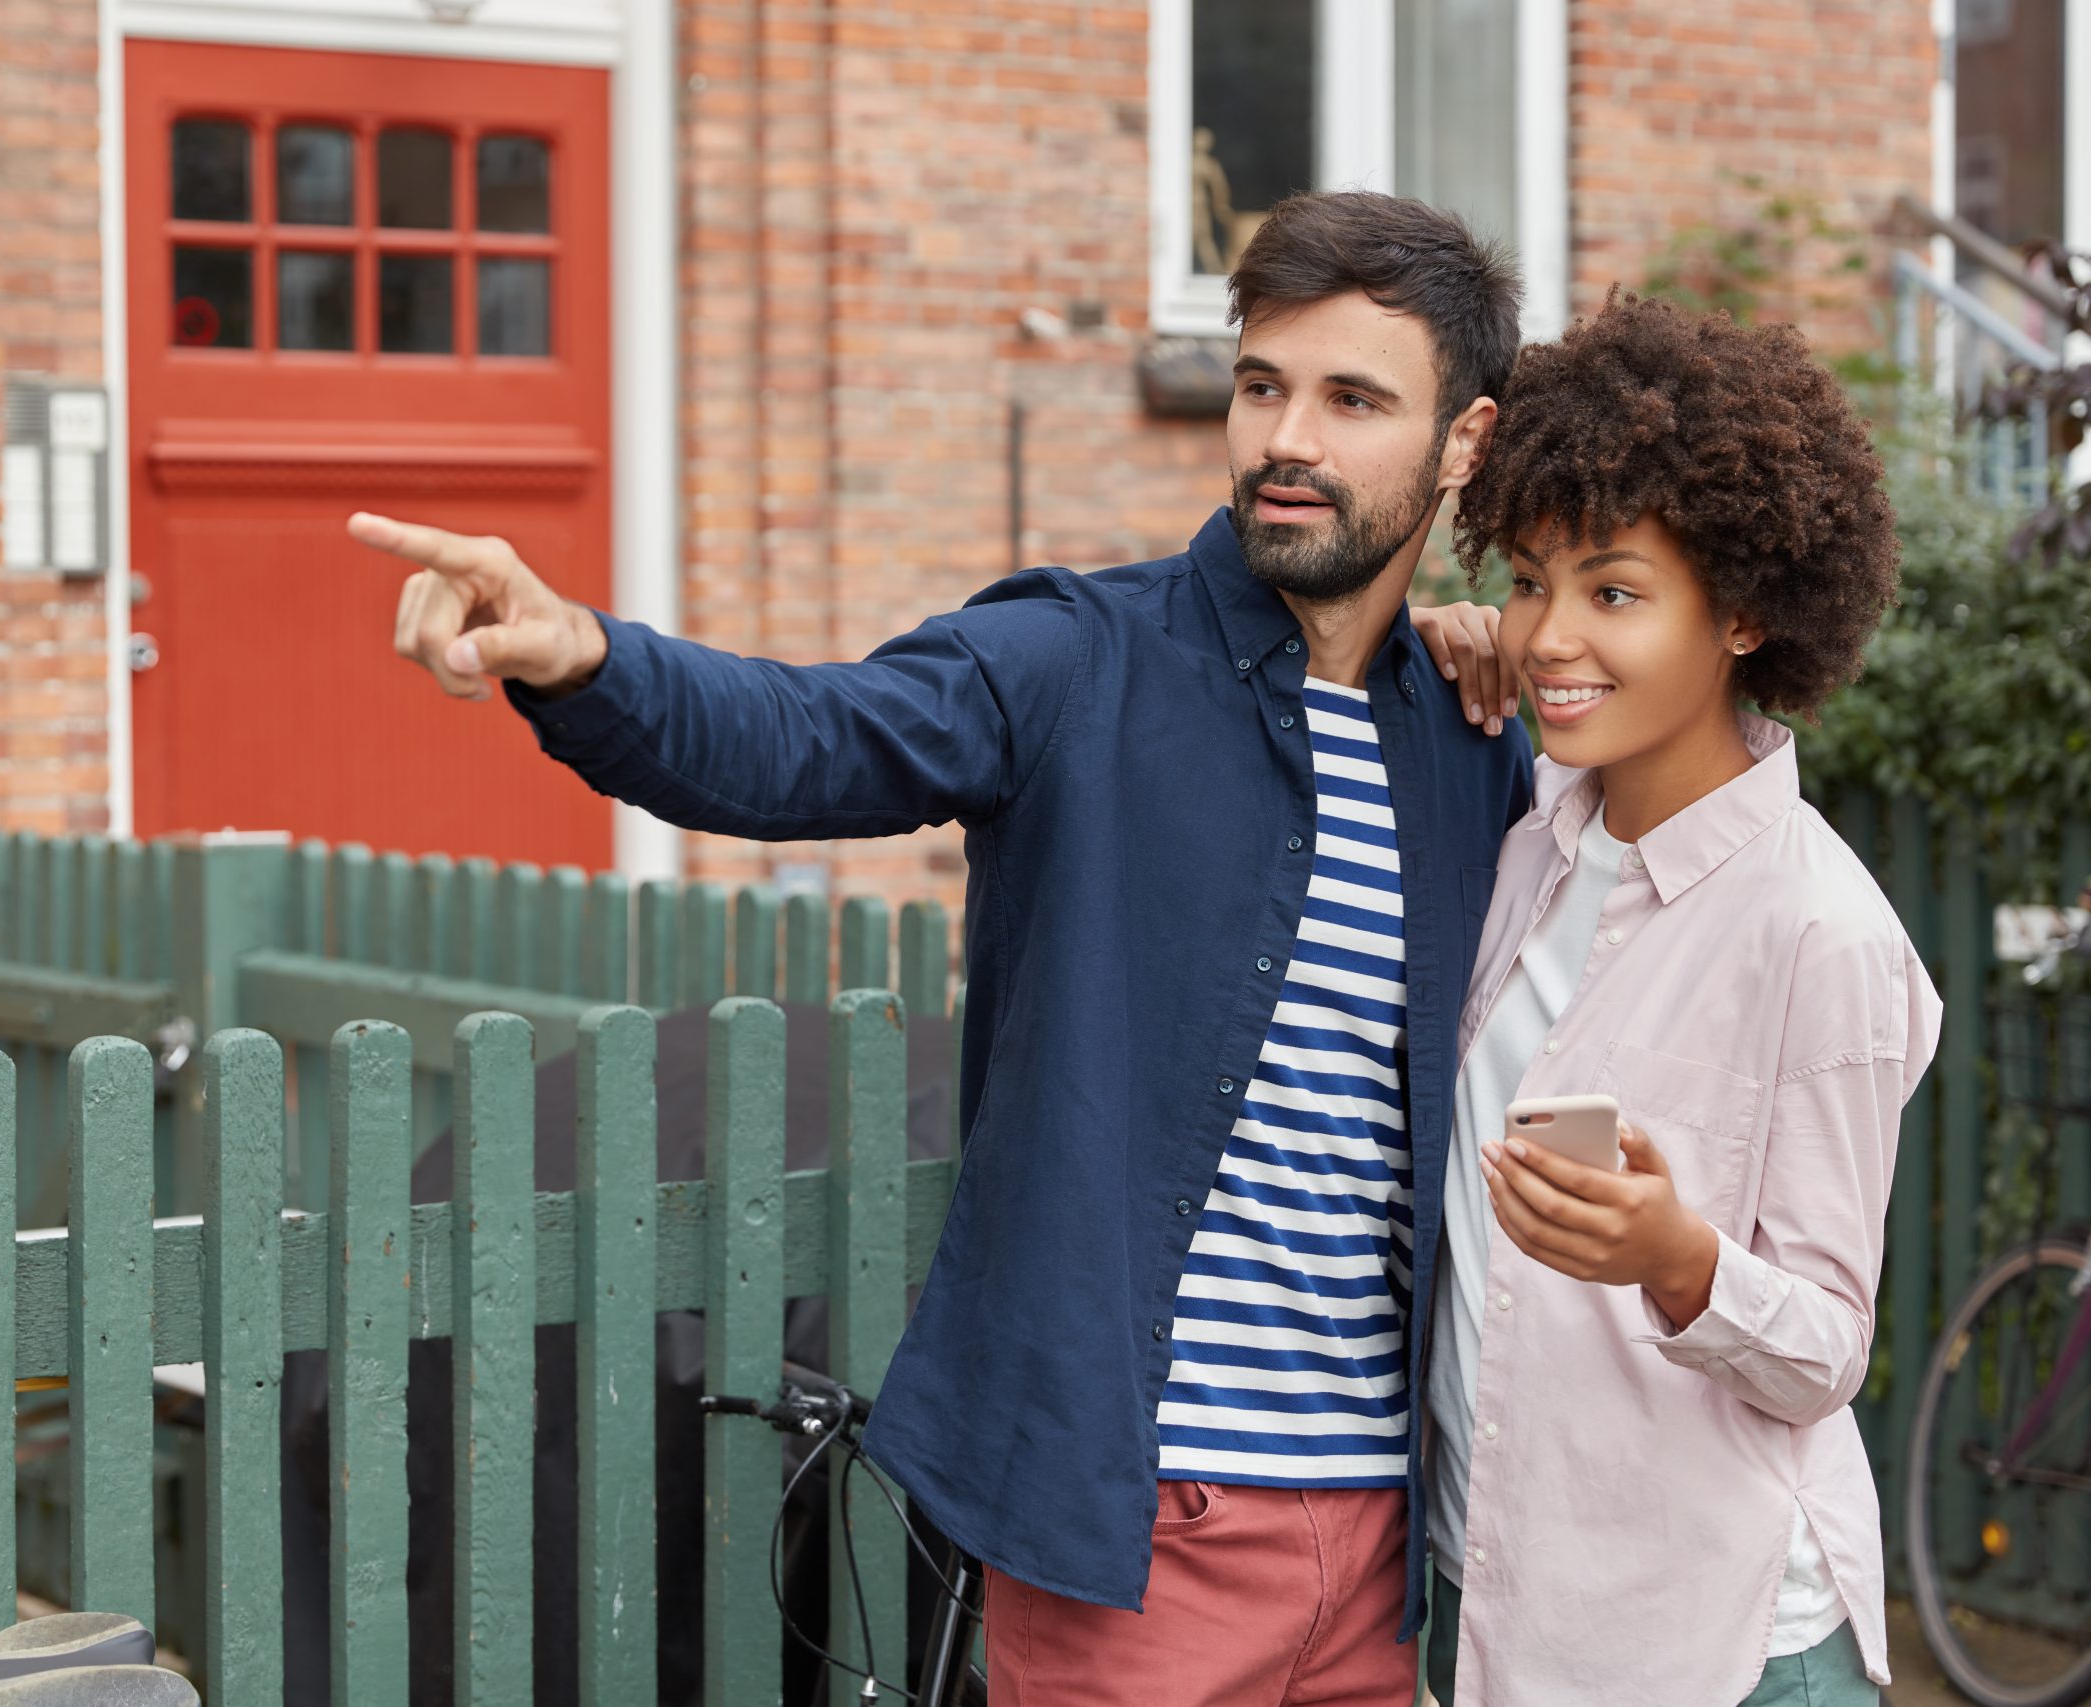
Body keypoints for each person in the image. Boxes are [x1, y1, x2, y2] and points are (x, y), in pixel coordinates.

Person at [356, 189, 1531, 1705]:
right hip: (1136, 1537)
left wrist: (1512, 635)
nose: (1285, 438)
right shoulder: (1075, 661)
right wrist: (585, 657)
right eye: (1260, 385)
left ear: (1466, 445)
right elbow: (808, 738)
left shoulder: (1475, 743)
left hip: (1382, 1543)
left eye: (1353, 399)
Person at [1421, 294, 1941, 1707]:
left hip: (1712, 1642)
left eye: (1614, 592)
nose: (1551, 638)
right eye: (1529, 582)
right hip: (1491, 1589)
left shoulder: (1819, 931)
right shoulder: (1533, 837)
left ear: (1746, 612)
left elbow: (1828, 1344)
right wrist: (1456, 640)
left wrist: (1678, 1258)